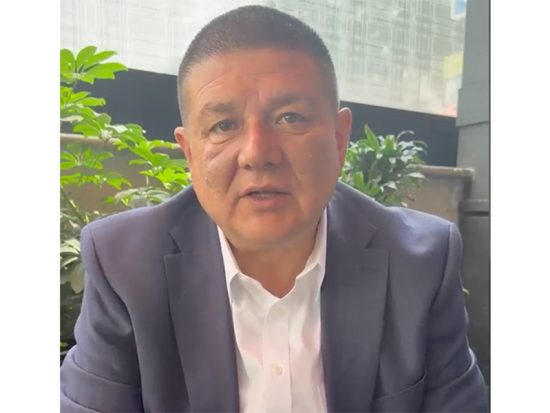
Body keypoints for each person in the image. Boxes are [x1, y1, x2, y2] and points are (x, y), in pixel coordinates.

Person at [60, 5, 488, 412]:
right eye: (223, 125)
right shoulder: (125, 265)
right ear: (189, 154)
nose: (257, 153)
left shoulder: (420, 263)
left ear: (339, 139)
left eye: (290, 118)